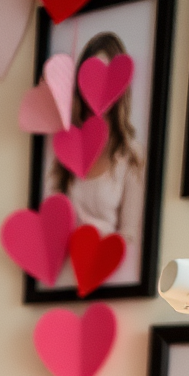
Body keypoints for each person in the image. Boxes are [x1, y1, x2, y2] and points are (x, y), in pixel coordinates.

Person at [46, 31, 145, 267]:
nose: (97, 88)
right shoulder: (65, 149)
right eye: (90, 77)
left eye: (106, 77)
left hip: (106, 270)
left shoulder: (131, 155)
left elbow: (129, 236)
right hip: (66, 274)